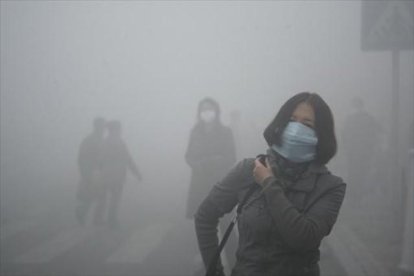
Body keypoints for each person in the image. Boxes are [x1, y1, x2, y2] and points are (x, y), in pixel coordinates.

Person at [195, 92, 346, 276]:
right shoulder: (249, 169)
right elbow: (204, 216)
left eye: (307, 124)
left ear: (320, 135)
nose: (296, 129)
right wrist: (214, 272)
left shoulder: (330, 187)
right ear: (281, 124)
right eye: (292, 120)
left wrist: (268, 182)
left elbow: (303, 239)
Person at [185, 97, 237, 271]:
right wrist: (197, 163)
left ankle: (236, 267)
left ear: (217, 111)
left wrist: (216, 161)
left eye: (210, 109)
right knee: (205, 232)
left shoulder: (225, 132)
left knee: (228, 231)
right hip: (200, 185)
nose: (207, 113)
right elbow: (188, 156)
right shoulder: (195, 132)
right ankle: (214, 270)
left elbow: (232, 157)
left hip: (221, 185)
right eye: (203, 109)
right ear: (199, 113)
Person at [94, 120, 142, 228]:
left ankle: (98, 219)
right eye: (119, 129)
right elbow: (128, 159)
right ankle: (111, 220)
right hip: (117, 177)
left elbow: (99, 161)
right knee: (114, 199)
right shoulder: (120, 143)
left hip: (106, 176)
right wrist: (137, 173)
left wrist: (99, 172)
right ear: (115, 130)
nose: (121, 131)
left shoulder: (104, 143)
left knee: (103, 199)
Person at [75, 117, 106, 225]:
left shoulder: (102, 140)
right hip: (90, 173)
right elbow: (81, 158)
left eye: (104, 126)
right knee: (94, 196)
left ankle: (88, 215)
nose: (103, 129)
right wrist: (85, 174)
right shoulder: (89, 140)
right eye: (101, 126)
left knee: (98, 196)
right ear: (96, 126)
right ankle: (83, 213)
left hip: (99, 173)